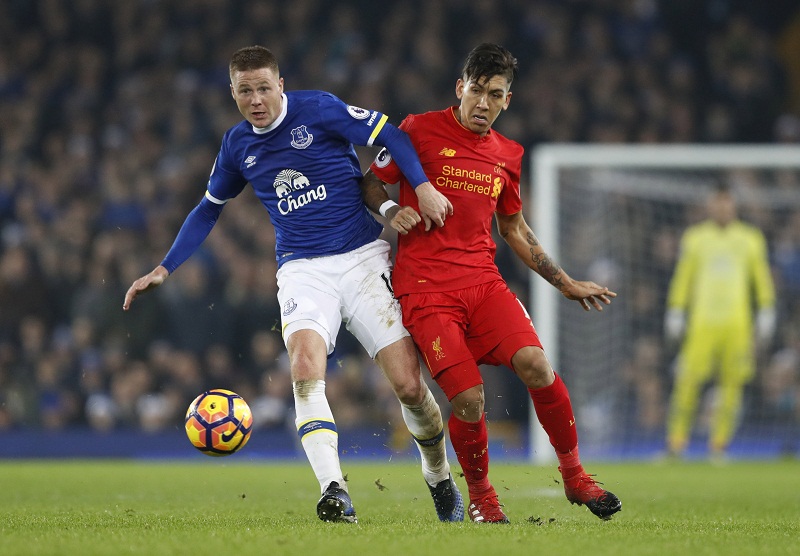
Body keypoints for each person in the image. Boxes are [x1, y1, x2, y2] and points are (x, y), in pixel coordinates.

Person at [123, 45, 464, 524]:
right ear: (233, 93)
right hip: (303, 269)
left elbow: (390, 132)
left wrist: (422, 185)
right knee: (305, 372)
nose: (257, 99)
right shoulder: (237, 145)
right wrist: (164, 267)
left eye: (264, 87)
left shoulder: (319, 109)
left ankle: (439, 478)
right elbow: (208, 209)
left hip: (363, 258)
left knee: (409, 385)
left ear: (280, 85)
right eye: (246, 90)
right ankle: (334, 490)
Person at [361, 43, 622, 522]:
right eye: (476, 90)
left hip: (484, 283)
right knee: (468, 397)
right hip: (425, 291)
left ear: (508, 101)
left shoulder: (508, 155)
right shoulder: (416, 130)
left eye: (495, 94)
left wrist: (565, 283)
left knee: (537, 366)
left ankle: (575, 477)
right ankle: (482, 499)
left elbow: (514, 230)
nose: (483, 103)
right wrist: (392, 209)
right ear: (460, 88)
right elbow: (369, 181)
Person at [664, 186, 776, 459]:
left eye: (727, 204)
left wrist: (766, 308)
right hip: (701, 324)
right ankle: (676, 444)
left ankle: (719, 445)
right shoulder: (695, 238)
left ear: (733, 206)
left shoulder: (750, 238)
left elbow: (760, 276)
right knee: (687, 381)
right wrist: (676, 309)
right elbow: (684, 276)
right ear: (710, 207)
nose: (722, 209)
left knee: (732, 386)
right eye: (718, 204)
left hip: (738, 325)